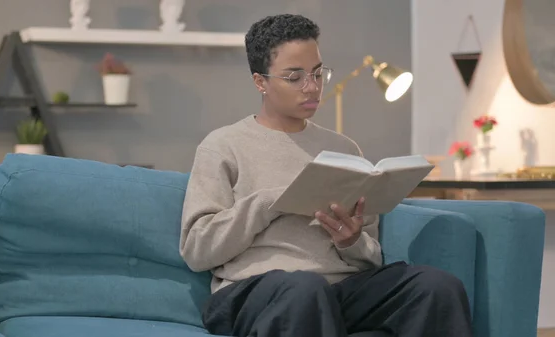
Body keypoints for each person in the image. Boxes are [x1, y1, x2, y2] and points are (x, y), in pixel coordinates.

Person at [179, 13, 473, 337]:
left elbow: (371, 254)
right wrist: (267, 202)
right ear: (260, 81)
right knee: (305, 289)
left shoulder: (343, 149)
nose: (312, 87)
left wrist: (351, 242)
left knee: (436, 287)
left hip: (338, 291)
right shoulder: (223, 146)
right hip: (254, 292)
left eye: (318, 74)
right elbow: (197, 249)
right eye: (295, 77)